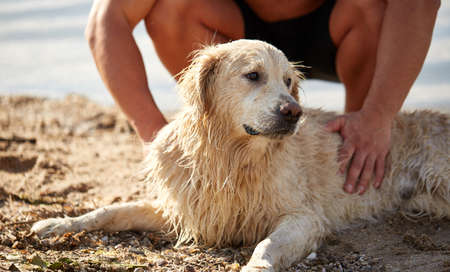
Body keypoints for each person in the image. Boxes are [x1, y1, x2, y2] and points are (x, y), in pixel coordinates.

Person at [85, 0, 441, 195]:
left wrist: (378, 115)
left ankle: (358, 155)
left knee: (376, 6)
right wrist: (153, 132)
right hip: (232, 32)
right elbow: (108, 15)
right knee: (172, 8)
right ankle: (216, 146)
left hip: (346, 23)